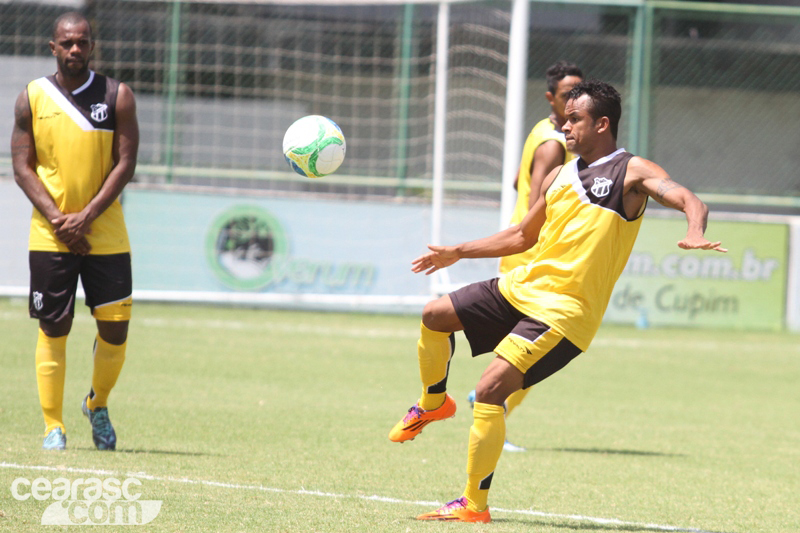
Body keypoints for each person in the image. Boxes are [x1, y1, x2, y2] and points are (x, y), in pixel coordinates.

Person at [388, 79, 726, 523]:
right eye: (564, 118)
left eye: (575, 119)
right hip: (521, 288)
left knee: (490, 390)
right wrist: (459, 250)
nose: (564, 127)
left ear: (602, 123)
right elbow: (521, 236)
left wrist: (695, 229)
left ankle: (473, 505)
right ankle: (434, 402)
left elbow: (686, 196)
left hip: (562, 312)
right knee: (435, 315)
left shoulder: (632, 170)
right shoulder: (558, 174)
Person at [11, 11, 139, 451]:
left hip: (105, 233)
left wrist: (86, 217)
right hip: (50, 234)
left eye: (82, 42)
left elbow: (125, 165)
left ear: (92, 45)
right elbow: (22, 167)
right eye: (66, 43)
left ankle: (97, 403)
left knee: (116, 329)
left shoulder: (117, 96)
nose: (75, 50)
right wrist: (60, 221)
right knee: (53, 326)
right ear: (53, 47)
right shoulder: (31, 97)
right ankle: (53, 427)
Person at [469, 61, 584, 453]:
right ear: (551, 96)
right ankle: (493, 408)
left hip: (523, 251)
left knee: (525, 347)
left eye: (579, 93)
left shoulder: (542, 130)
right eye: (567, 93)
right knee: (535, 348)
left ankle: (490, 403)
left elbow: (518, 181)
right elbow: (538, 198)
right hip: (532, 252)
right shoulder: (555, 144)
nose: (574, 100)